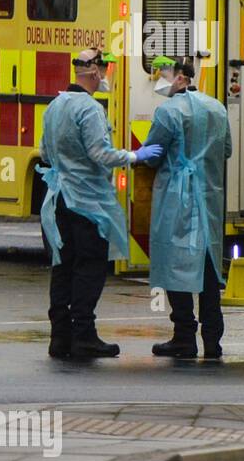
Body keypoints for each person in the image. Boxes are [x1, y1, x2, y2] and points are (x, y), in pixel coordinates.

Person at [40, 48, 165, 359]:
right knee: (89, 267)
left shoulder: (55, 106)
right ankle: (83, 335)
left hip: (59, 200)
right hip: (87, 203)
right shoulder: (90, 110)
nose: (107, 73)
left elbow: (44, 151)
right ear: (93, 72)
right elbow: (100, 154)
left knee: (63, 266)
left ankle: (60, 337)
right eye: (105, 67)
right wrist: (135, 156)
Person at [142, 56, 232, 359]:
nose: (160, 80)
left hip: (177, 198)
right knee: (208, 264)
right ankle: (212, 339)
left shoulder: (168, 112)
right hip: (208, 196)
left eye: (164, 74)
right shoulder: (216, 108)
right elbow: (227, 150)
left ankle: (183, 336)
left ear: (181, 76)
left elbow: (152, 154)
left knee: (175, 263)